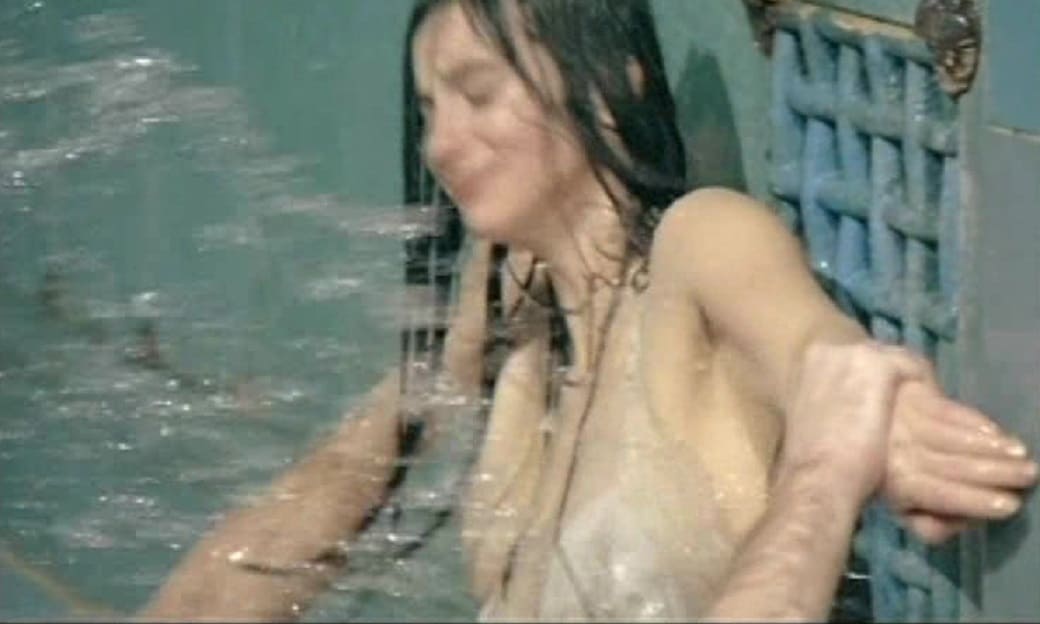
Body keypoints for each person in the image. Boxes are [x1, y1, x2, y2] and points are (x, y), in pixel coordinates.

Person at [139, 1, 1038, 620]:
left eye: (478, 94)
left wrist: (891, 420)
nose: (441, 144)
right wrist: (433, 378)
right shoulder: (524, 365)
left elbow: (813, 350)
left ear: (612, 86)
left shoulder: (696, 249)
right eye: (429, 110)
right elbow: (205, 608)